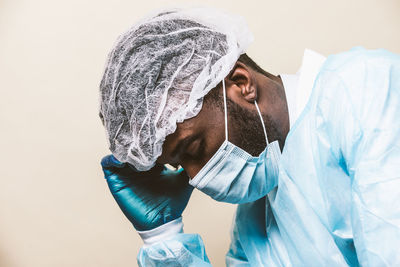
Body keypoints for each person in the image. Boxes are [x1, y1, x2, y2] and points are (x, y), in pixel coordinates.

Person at [99, 7, 400, 266]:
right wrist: (162, 238)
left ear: (241, 84)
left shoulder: (364, 91)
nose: (195, 178)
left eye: (192, 148)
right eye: (178, 165)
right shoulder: (253, 231)